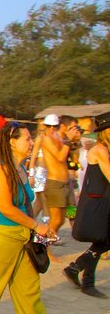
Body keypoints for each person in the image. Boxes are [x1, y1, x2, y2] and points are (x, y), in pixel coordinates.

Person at [0, 123, 67, 314]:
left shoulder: (20, 169)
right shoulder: (1, 170)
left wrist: (36, 228)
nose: (31, 143)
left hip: (21, 236)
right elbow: (6, 208)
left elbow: (27, 203)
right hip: (1, 238)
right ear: (12, 142)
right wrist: (36, 225)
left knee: (29, 291)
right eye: (27, 138)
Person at [63, 121, 110, 297]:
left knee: (102, 240)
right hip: (57, 186)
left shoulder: (103, 148)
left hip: (77, 191)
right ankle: (44, 246)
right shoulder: (100, 149)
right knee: (54, 219)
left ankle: (78, 271)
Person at [34, 114, 82, 239]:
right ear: (64, 126)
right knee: (55, 220)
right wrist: (68, 140)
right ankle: (42, 247)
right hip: (54, 183)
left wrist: (74, 141)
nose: (51, 128)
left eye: (54, 126)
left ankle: (46, 245)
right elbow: (60, 157)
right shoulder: (46, 139)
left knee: (63, 218)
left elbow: (73, 159)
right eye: (49, 126)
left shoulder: (60, 138)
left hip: (65, 183)